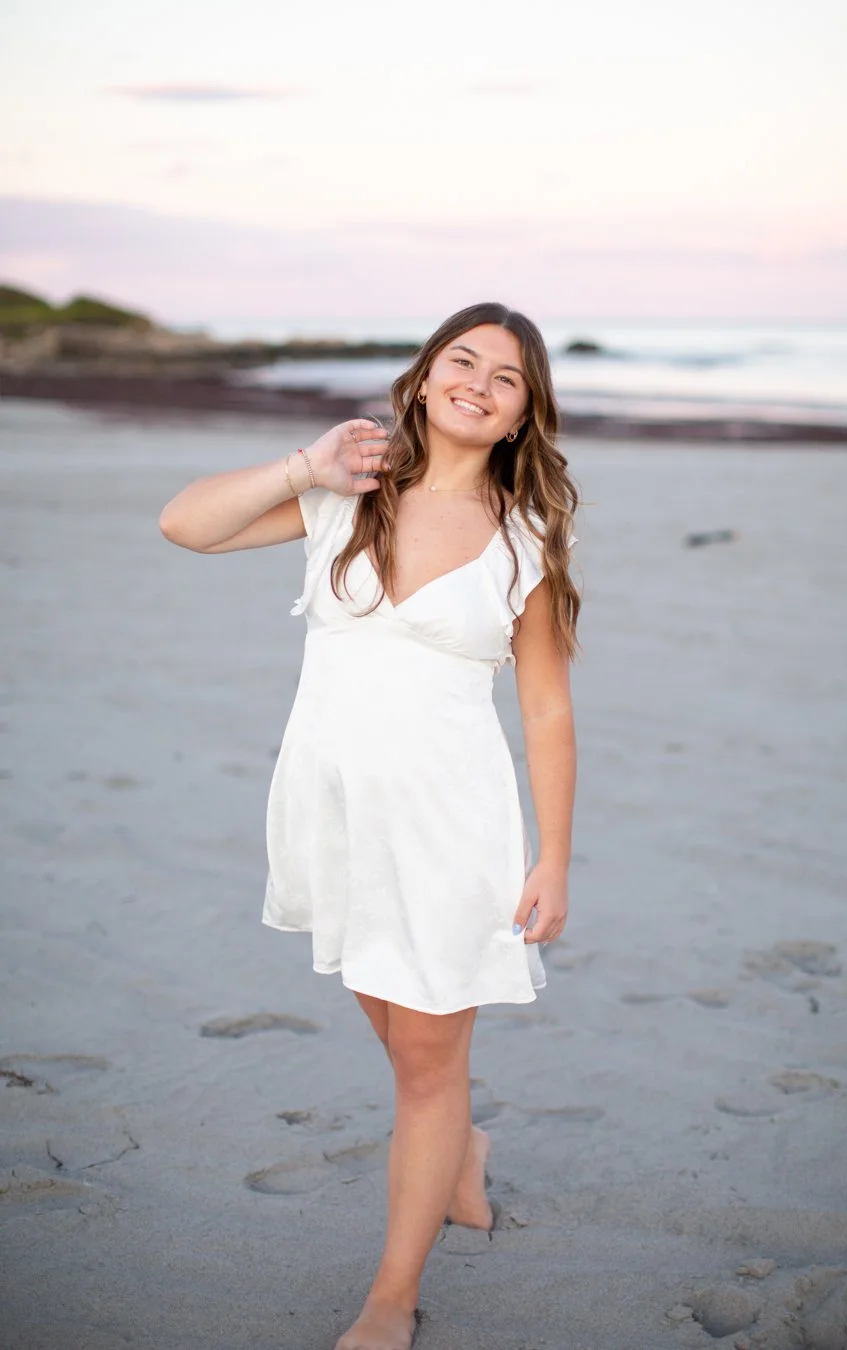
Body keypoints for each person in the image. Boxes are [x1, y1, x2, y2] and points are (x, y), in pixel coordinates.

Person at [158, 301, 580, 1350]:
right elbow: (185, 525)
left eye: (509, 378)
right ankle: (461, 1150)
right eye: (463, 360)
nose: (479, 383)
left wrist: (555, 857)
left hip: (450, 827)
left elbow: (545, 708)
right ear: (428, 374)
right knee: (402, 1042)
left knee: (430, 1065)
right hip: (333, 812)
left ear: (527, 413)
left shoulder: (526, 536)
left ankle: (390, 1301)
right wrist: (303, 464)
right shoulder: (351, 495)